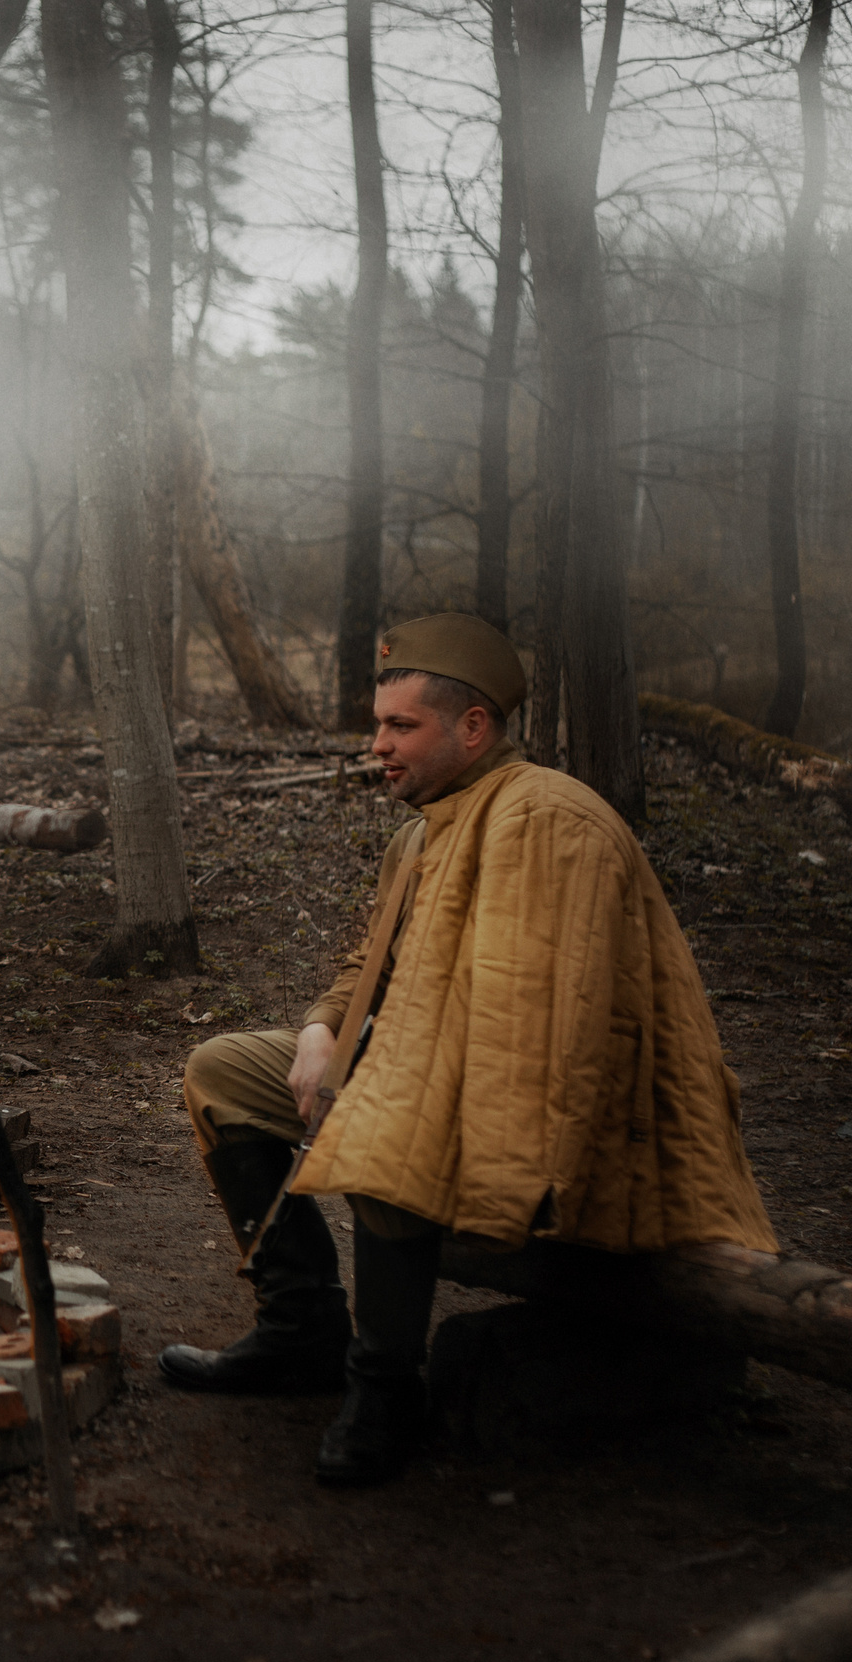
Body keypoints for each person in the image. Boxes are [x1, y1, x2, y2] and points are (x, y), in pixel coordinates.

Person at [157, 613, 777, 1485]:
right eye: (378, 725)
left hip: (563, 1121)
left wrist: (381, 1082)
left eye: (400, 726)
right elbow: (373, 959)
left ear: (473, 726)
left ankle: (386, 1390)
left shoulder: (547, 820)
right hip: (427, 1070)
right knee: (221, 1073)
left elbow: (539, 1022)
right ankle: (303, 1330)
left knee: (392, 1120)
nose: (377, 745)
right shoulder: (424, 828)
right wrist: (321, 1031)